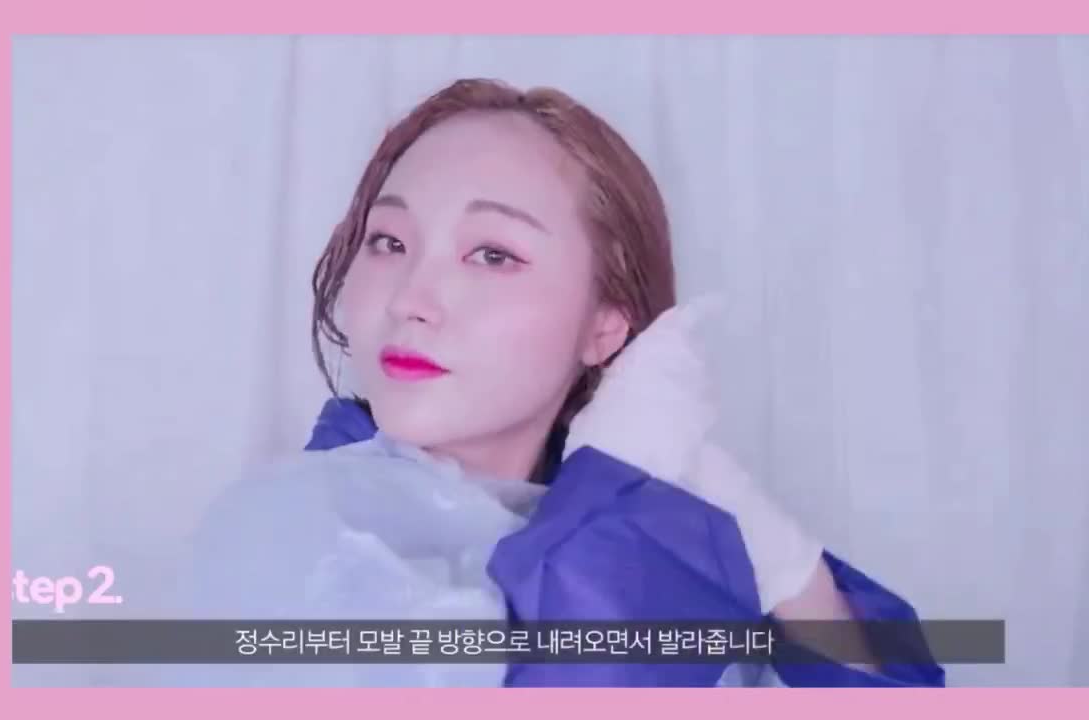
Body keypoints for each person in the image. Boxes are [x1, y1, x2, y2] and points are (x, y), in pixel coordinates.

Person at [298, 78, 946, 688]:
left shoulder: (661, 528)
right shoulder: (304, 540)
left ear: (604, 326)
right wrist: (611, 487)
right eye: (387, 242)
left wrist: (781, 558)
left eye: (492, 255)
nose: (409, 299)